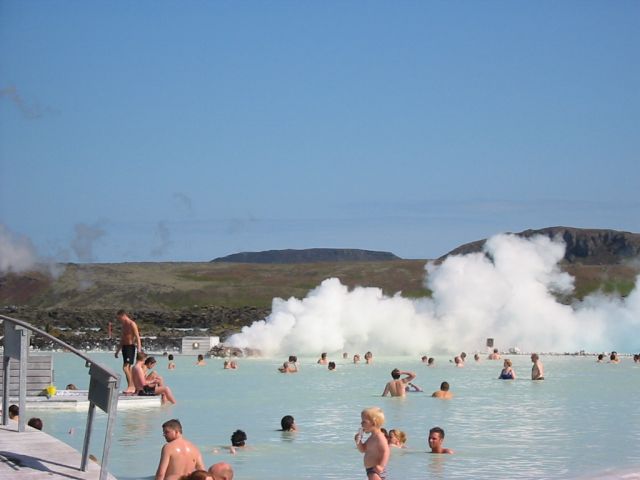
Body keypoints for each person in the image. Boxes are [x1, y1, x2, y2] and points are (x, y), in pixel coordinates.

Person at [355, 407, 389, 480]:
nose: (361, 423)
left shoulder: (379, 437)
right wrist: (358, 441)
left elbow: (386, 451)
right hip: (370, 469)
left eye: (364, 422)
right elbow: (363, 450)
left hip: (375, 469)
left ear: (373, 423)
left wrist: (381, 466)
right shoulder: (372, 437)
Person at [114, 309, 142, 394]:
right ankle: (131, 387)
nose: (119, 320)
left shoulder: (132, 324)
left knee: (125, 367)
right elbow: (122, 339)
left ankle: (131, 386)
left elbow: (137, 337)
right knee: (128, 368)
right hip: (124, 347)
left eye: (119, 318)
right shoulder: (123, 325)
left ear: (123, 316)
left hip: (130, 347)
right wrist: (117, 351)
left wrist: (139, 350)